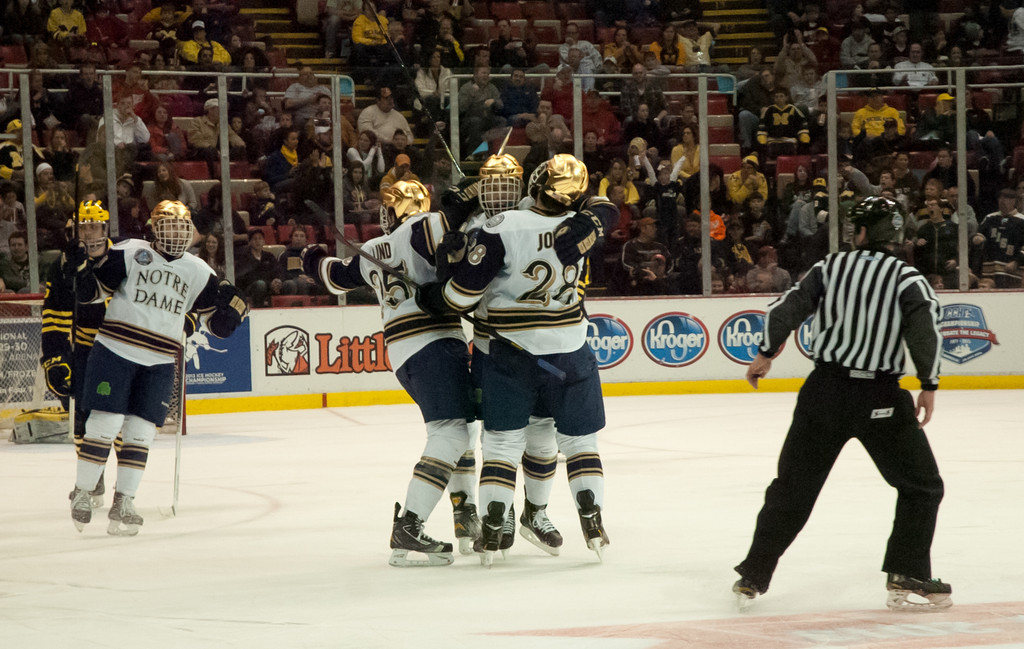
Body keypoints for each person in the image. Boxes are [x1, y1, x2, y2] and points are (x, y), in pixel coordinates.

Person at [734, 195, 951, 612]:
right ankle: (907, 573)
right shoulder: (908, 278)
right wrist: (929, 384)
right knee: (922, 486)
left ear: (864, 232)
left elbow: (784, 309)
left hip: (824, 391)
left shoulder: (829, 267)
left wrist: (765, 353)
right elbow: (924, 331)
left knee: (793, 488)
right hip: (880, 397)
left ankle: (753, 575)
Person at [417, 155, 611, 565]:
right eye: (491, 182)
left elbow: (459, 297)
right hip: (567, 351)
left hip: (508, 352)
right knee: (577, 442)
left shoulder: (499, 227)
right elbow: (602, 210)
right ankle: (588, 516)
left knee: (509, 443)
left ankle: (511, 518)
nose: (498, 190)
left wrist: (441, 285)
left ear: (530, 185)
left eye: (506, 182)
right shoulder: (578, 224)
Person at [301, 180, 478, 567]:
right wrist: (469, 193)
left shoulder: (372, 249)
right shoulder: (422, 226)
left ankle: (465, 515)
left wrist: (311, 257)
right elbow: (453, 221)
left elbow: (334, 277)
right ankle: (409, 526)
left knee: (462, 427)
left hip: (402, 351)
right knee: (451, 433)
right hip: (433, 342)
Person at [67, 200, 248, 535]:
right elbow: (90, 294)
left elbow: (217, 326)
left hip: (161, 360)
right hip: (115, 351)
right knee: (105, 423)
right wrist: (79, 269)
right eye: (169, 225)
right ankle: (82, 491)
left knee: (141, 432)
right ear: (154, 228)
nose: (176, 232)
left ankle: (125, 500)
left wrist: (235, 311)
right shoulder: (130, 251)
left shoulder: (199, 271)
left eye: (181, 226)